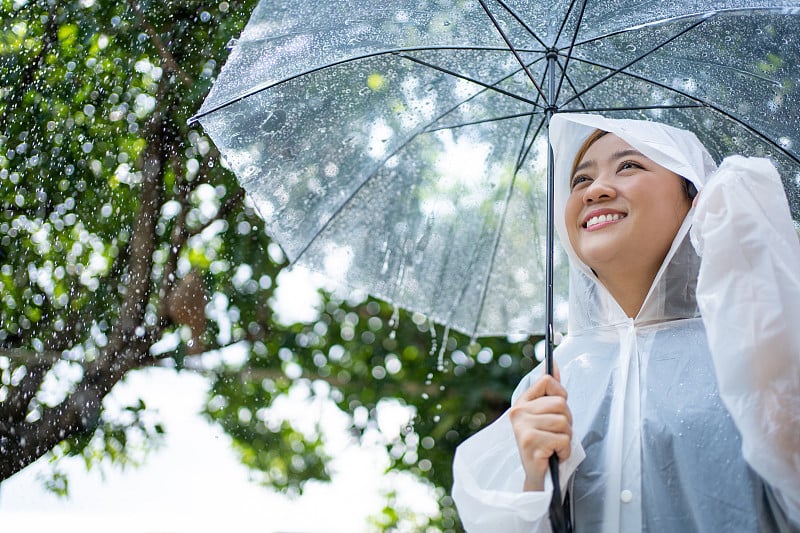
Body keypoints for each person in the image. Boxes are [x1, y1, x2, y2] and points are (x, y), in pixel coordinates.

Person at [451, 113, 800, 532]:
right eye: (579, 180)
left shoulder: (758, 342)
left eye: (628, 165)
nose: (595, 190)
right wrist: (534, 482)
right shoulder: (546, 386)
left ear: (695, 198)